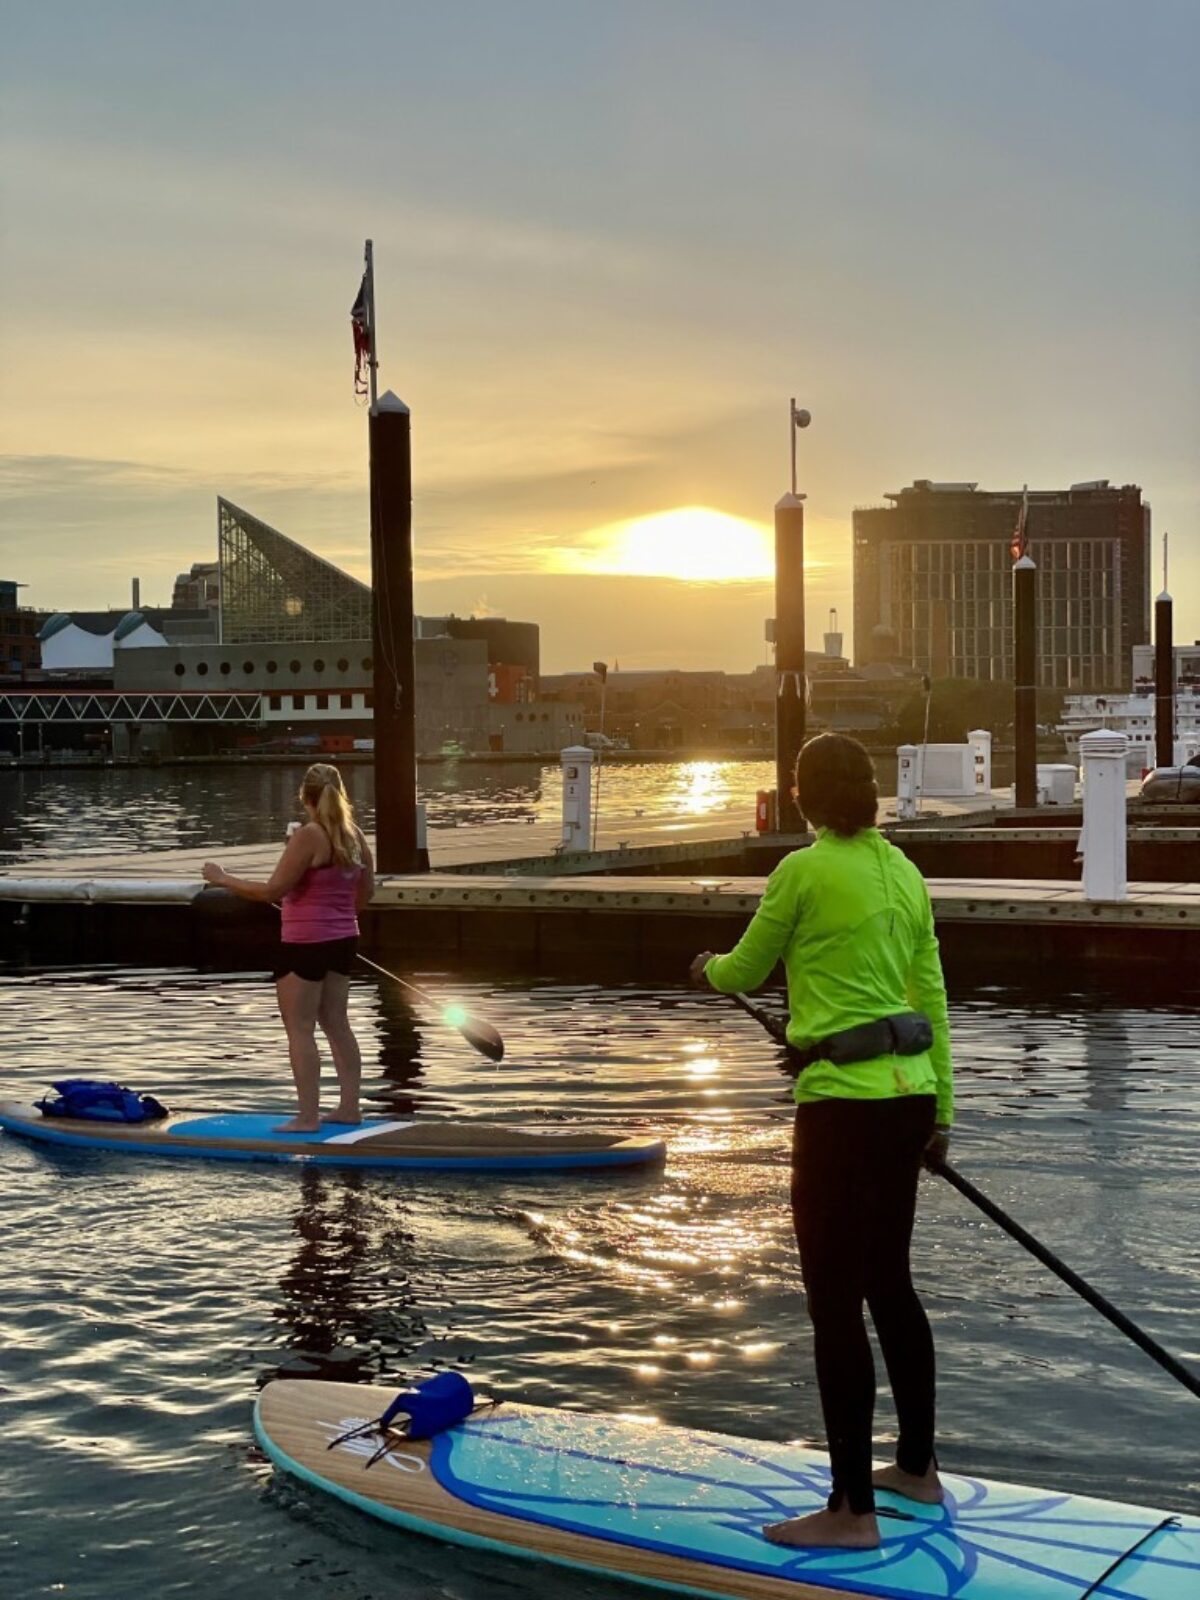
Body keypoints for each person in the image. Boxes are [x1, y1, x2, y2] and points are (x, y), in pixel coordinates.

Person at [689, 733, 952, 1551]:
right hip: (909, 1102)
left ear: (804, 797)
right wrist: (942, 1111)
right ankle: (915, 1469)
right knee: (892, 1287)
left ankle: (850, 1512)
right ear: (870, 795)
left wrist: (705, 970)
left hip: (841, 1110)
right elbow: (931, 995)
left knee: (834, 1304)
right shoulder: (904, 873)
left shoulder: (801, 872)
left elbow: (746, 968)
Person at [203, 762, 375, 1133]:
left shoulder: (309, 836)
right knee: (337, 1024)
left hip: (304, 944)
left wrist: (222, 878)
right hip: (344, 940)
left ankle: (308, 1117)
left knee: (300, 1029)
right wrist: (333, 913)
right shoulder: (355, 835)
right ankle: (349, 1109)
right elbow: (366, 894)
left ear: (305, 798)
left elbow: (271, 891)